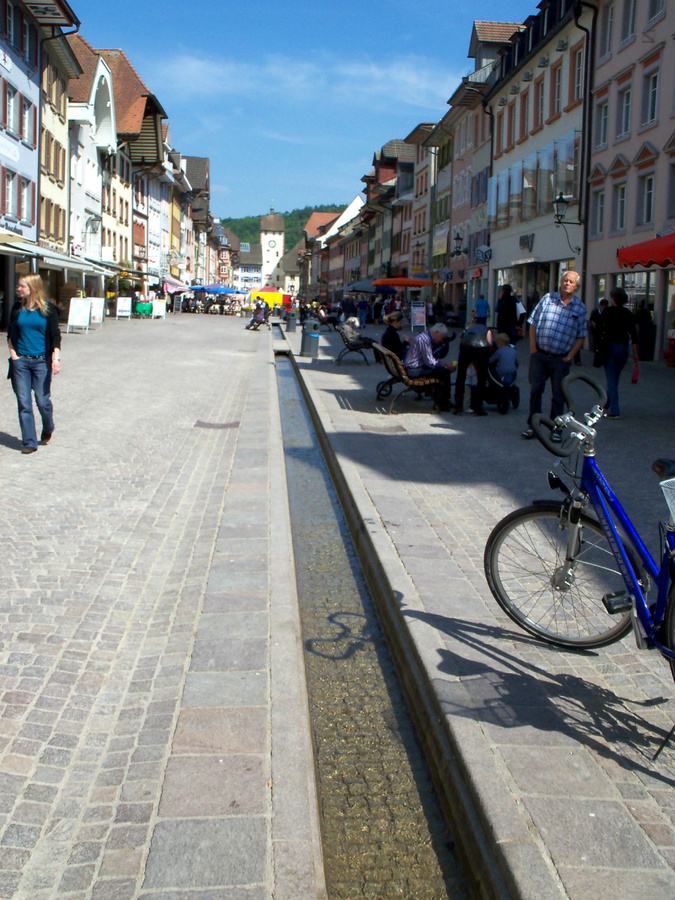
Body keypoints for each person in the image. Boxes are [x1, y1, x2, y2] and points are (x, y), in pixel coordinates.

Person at [522, 271, 587, 441]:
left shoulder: (579, 308)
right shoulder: (548, 299)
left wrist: (570, 357)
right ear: (560, 283)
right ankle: (533, 426)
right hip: (540, 355)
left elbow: (581, 336)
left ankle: (555, 429)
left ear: (576, 287)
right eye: (565, 280)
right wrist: (533, 348)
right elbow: (533, 323)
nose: (567, 283)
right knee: (536, 390)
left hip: (561, 359)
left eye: (571, 282)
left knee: (559, 394)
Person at [7, 274, 61, 454]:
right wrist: (14, 356)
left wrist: (55, 359)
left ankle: (48, 426)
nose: (18, 289)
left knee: (42, 400)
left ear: (33, 288)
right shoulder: (17, 308)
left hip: (41, 361)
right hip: (21, 361)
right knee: (24, 403)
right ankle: (29, 441)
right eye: (18, 286)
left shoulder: (48, 309)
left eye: (22, 286)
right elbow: (10, 334)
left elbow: (55, 337)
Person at [600, 287, 638, 419]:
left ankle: (614, 410)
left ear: (613, 298)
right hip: (623, 348)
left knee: (611, 379)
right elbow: (634, 333)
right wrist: (635, 352)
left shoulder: (607, 311)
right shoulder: (627, 313)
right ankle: (607, 404)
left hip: (609, 347)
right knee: (615, 377)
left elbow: (599, 328)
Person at [403, 323, 456, 412]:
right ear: (436, 332)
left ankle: (443, 399)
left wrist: (442, 364)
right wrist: (446, 365)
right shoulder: (424, 340)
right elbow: (430, 362)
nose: (442, 341)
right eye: (442, 337)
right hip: (413, 370)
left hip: (413, 367)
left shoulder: (424, 337)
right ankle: (443, 401)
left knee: (441, 371)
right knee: (444, 371)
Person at [453, 322, 493, 416]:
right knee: (481, 379)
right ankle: (478, 408)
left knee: (461, 378)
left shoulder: (467, 330)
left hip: (466, 350)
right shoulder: (487, 330)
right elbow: (489, 344)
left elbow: (461, 341)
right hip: (481, 351)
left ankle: (458, 407)